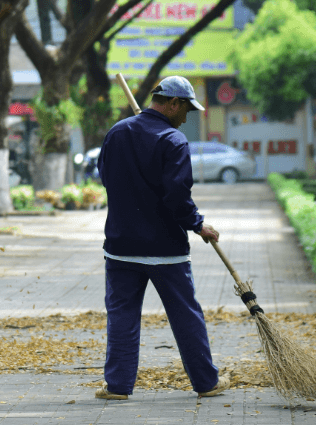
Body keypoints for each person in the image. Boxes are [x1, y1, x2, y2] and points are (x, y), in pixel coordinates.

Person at [95, 76, 229, 400]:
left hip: (122, 246)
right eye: (186, 110)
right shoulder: (173, 141)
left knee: (122, 316)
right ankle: (206, 383)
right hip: (165, 249)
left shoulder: (118, 132)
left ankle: (117, 387)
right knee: (185, 316)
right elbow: (177, 196)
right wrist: (198, 225)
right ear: (172, 104)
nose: (186, 118)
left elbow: (105, 177)